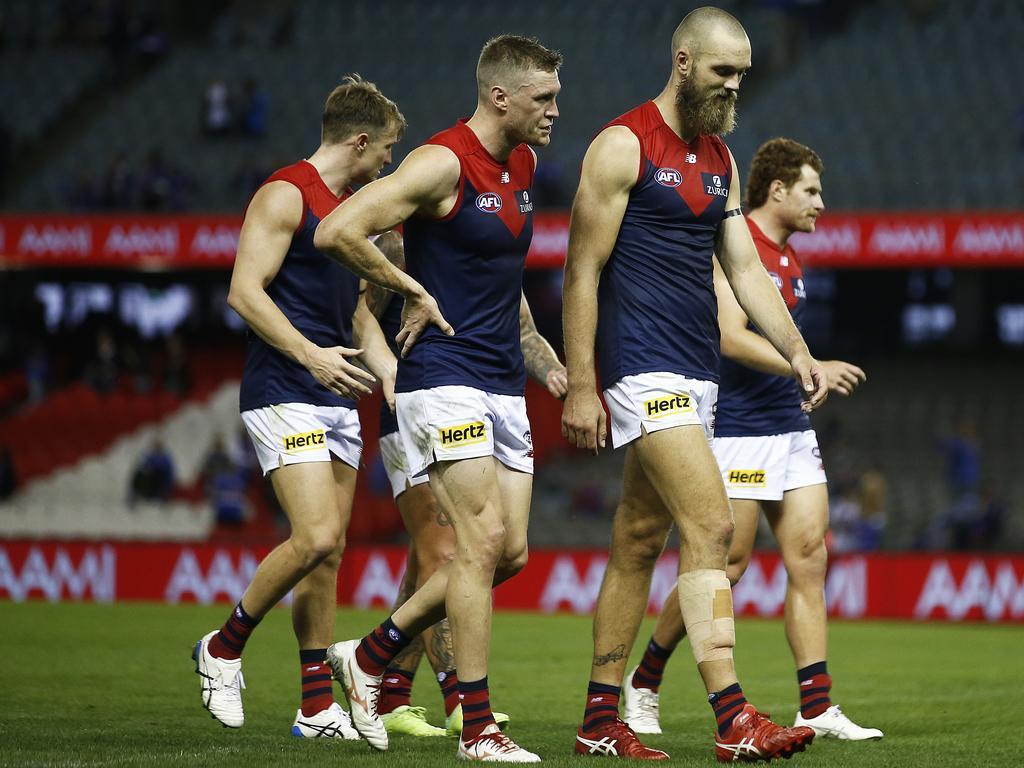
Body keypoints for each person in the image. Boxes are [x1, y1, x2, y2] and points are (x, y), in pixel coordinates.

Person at [560, 8, 826, 762]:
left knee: (638, 540)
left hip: (697, 374)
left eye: (742, 72)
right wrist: (583, 384)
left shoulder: (721, 157)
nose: (736, 84)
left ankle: (598, 719)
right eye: (722, 71)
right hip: (642, 368)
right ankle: (733, 717)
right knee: (711, 531)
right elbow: (580, 267)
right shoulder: (621, 146)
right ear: (683, 61)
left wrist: (798, 350)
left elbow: (744, 269)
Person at [314, 34, 562, 761]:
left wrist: (548, 364)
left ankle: (366, 657)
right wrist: (410, 288)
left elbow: (503, 282)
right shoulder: (441, 161)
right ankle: (478, 729)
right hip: (442, 379)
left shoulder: (525, 165)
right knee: (477, 545)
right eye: (543, 98)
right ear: (499, 96)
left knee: (508, 552)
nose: (555, 110)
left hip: (503, 383)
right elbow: (338, 228)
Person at [620, 138, 882, 743]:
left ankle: (816, 705)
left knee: (810, 556)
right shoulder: (737, 246)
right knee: (727, 564)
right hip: (735, 425)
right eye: (812, 190)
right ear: (778, 190)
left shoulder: (791, 259)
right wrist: (806, 364)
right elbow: (731, 338)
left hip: (787, 425)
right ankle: (646, 677)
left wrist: (800, 375)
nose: (821, 202)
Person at [192, 75, 415, 741]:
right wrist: (311, 355)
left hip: (337, 392)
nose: (389, 165)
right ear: (360, 140)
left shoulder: (350, 216)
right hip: (283, 388)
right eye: (387, 151)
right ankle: (222, 647)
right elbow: (244, 292)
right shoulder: (285, 194)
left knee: (328, 553)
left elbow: (354, 317)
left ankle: (316, 706)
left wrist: (389, 371)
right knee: (314, 534)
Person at [364, 231, 567, 738]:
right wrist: (387, 367)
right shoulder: (402, 244)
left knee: (442, 560)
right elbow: (359, 312)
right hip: (422, 400)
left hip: (485, 395)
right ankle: (459, 697)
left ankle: (384, 685)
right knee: (446, 551)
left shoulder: (494, 243)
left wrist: (557, 373)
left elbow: (523, 329)